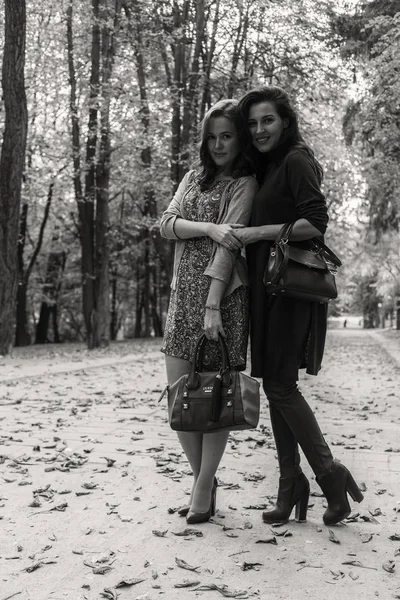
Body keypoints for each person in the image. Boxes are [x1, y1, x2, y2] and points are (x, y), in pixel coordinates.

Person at [233, 86, 364, 526]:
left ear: (285, 121)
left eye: (267, 120)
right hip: (266, 292)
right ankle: (291, 485)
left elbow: (315, 222)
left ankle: (329, 476)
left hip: (290, 293)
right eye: (252, 124)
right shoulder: (267, 167)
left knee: (282, 387)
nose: (259, 129)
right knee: (273, 385)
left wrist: (256, 233)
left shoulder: (296, 160)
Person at [160, 99, 258, 524]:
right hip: (181, 298)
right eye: (212, 136)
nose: (218, 144)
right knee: (182, 397)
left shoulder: (244, 183)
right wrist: (208, 226)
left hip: (222, 301)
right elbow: (166, 223)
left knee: (215, 396)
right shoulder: (193, 177)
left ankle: (201, 488)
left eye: (227, 135)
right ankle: (204, 481)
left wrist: (212, 306)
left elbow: (230, 245)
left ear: (239, 138)